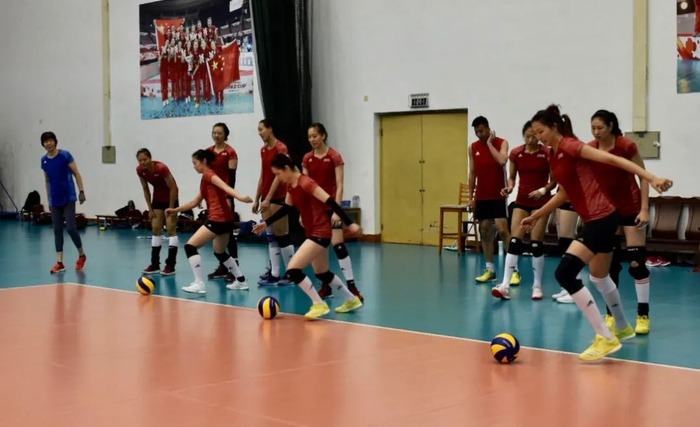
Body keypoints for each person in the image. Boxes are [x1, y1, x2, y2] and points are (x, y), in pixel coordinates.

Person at [520, 105, 672, 362]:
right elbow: (564, 193)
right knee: (599, 277)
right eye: (535, 133)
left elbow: (613, 160)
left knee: (564, 273)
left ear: (554, 127)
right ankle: (621, 326)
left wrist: (652, 177)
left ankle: (605, 335)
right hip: (597, 218)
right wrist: (536, 215)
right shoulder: (554, 155)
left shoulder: (571, 146)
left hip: (601, 218)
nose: (538, 137)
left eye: (541, 131)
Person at [253, 154, 363, 319]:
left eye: (278, 174)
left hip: (321, 232)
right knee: (322, 272)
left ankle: (318, 304)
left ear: (287, 168)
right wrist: (266, 223)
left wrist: (350, 223)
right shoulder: (291, 185)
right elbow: (287, 208)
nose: (278, 178)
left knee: (292, 270)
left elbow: (330, 202)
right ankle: (351, 299)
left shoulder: (306, 183)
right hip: (312, 232)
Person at [589, 110, 651, 334]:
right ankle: (611, 315)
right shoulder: (591, 148)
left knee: (636, 263)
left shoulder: (626, 146)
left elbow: (643, 176)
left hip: (630, 207)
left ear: (611, 126)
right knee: (610, 265)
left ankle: (643, 315)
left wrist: (644, 209)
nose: (596, 132)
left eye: (600, 128)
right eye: (593, 128)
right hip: (606, 211)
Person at [166, 150, 252, 294]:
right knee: (219, 252)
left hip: (218, 219)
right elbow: (194, 202)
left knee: (190, 247)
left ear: (204, 161)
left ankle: (199, 283)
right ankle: (241, 281)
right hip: (226, 219)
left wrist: (241, 198)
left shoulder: (209, 175)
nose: (194, 166)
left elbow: (226, 187)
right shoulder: (205, 180)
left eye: (195, 163)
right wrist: (175, 210)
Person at [492, 121, 556, 300]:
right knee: (514, 241)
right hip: (521, 202)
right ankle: (505, 285)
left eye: (534, 135)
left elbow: (553, 181)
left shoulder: (547, 153)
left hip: (541, 203)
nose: (531, 138)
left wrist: (542, 190)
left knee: (536, 243)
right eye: (528, 135)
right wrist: (510, 187)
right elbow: (512, 177)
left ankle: (537, 286)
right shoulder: (516, 153)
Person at [302, 123, 364, 302]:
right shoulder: (307, 158)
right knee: (319, 248)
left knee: (337, 243)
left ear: (323, 135)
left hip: (331, 208)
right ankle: (326, 286)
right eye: (309, 137)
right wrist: (303, 212)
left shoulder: (334, 156)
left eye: (315, 136)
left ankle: (352, 286)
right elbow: (305, 187)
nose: (312, 139)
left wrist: (337, 210)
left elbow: (340, 185)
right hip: (315, 211)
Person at [468, 116, 518, 284]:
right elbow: (472, 173)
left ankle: (514, 271)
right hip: (482, 196)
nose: (479, 134)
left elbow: (502, 161)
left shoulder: (502, 143)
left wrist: (489, 144)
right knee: (484, 230)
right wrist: (471, 198)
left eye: (482, 131)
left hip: (498, 194)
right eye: (476, 132)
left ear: (489, 129)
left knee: (503, 230)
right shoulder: (472, 147)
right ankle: (490, 270)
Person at [205, 123, 247, 284]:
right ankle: (223, 266)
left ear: (225, 135)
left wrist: (229, 197)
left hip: (225, 197)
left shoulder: (230, 152)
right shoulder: (208, 152)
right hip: (212, 197)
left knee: (228, 232)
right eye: (214, 133)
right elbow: (205, 175)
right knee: (217, 232)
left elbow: (232, 177)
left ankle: (235, 267)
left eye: (219, 133)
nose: (216, 136)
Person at [253, 120, 294, 285]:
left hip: (278, 197)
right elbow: (263, 175)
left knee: (282, 234)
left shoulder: (281, 148)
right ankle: (275, 273)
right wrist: (257, 198)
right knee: (271, 236)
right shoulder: (263, 150)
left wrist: (269, 197)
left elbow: (279, 175)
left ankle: (292, 273)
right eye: (258, 130)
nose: (260, 133)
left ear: (270, 129)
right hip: (266, 199)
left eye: (261, 129)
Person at [40, 131, 87, 273]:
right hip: (55, 199)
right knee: (57, 230)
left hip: (68, 197)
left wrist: (81, 191)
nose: (49, 143)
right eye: (46, 141)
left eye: (51, 140)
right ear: (43, 144)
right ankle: (59, 262)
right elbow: (47, 180)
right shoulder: (44, 160)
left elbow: (77, 174)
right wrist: (49, 198)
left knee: (71, 228)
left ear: (55, 141)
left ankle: (81, 255)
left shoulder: (65, 155)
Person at [136, 149, 179, 275]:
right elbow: (145, 189)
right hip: (157, 199)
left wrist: (171, 209)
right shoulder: (140, 171)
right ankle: (155, 264)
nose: (142, 162)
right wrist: (150, 209)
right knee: (155, 228)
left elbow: (173, 187)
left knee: (171, 229)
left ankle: (171, 265)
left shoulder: (161, 168)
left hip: (171, 198)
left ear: (150, 158)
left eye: (145, 159)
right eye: (140, 160)